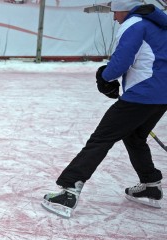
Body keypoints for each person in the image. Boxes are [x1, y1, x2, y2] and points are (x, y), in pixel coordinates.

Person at [42, 0, 167, 218]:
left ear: (125, 8)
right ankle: (150, 184)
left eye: (115, 11)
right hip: (161, 95)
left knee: (101, 138)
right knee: (135, 137)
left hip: (142, 95)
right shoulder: (157, 24)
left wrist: (105, 76)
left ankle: (69, 190)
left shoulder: (134, 23)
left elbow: (122, 60)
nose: (113, 16)